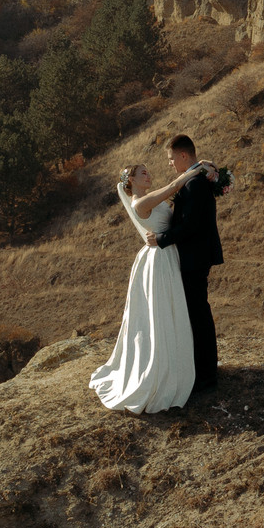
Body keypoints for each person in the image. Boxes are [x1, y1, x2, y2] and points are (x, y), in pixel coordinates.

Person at [87, 162, 195, 413]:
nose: (148, 175)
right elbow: (173, 186)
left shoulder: (149, 198)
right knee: (160, 313)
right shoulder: (139, 203)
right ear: (132, 181)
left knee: (172, 308)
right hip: (159, 259)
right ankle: (160, 368)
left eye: (148, 171)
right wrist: (196, 169)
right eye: (143, 173)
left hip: (167, 253)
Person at [149, 134, 225, 401]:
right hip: (195, 256)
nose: (170, 163)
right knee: (196, 313)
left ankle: (206, 376)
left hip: (195, 258)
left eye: (171, 158)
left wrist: (161, 239)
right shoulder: (195, 177)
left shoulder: (195, 183)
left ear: (183, 156)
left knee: (198, 315)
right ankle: (203, 370)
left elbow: (190, 225)